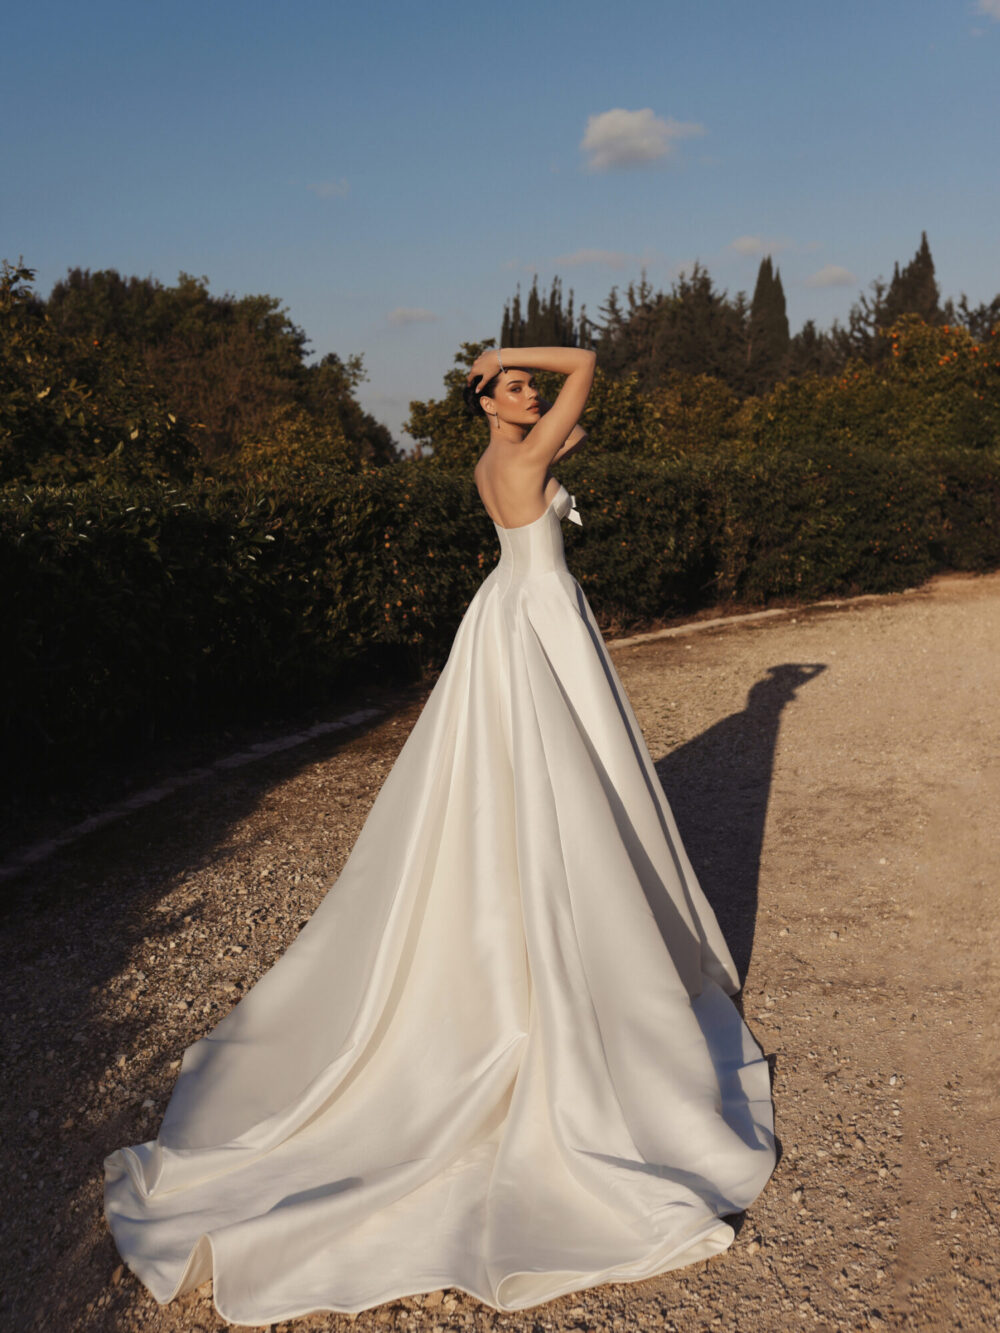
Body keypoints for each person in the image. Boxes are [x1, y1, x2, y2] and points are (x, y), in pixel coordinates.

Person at [104, 344, 776, 1324]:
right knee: (554, 779)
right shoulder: (512, 458)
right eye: (512, 386)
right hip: (536, 619)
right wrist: (522, 354)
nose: (531, 391)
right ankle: (554, 956)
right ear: (485, 400)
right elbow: (587, 367)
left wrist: (523, 398)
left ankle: (557, 913)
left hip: (520, 614)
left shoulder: (503, 459)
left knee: (548, 780)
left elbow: (573, 423)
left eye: (526, 386)